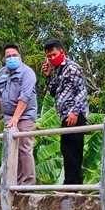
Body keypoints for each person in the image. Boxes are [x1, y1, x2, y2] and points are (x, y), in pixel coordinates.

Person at [42, 38, 90, 185]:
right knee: (66, 148)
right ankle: (70, 183)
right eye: (49, 56)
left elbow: (81, 91)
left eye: (54, 55)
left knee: (73, 149)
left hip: (74, 114)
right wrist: (48, 76)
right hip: (64, 115)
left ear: (61, 52)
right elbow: (54, 92)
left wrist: (75, 112)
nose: (51, 58)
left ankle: (74, 184)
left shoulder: (72, 67)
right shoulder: (59, 71)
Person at [0, 44, 38, 185]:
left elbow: (25, 96)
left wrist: (16, 117)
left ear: (20, 56)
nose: (11, 58)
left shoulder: (27, 72)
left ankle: (28, 184)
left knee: (24, 148)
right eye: (8, 56)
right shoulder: (2, 72)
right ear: (4, 58)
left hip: (25, 116)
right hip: (8, 117)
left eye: (14, 55)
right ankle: (14, 183)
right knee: (11, 150)